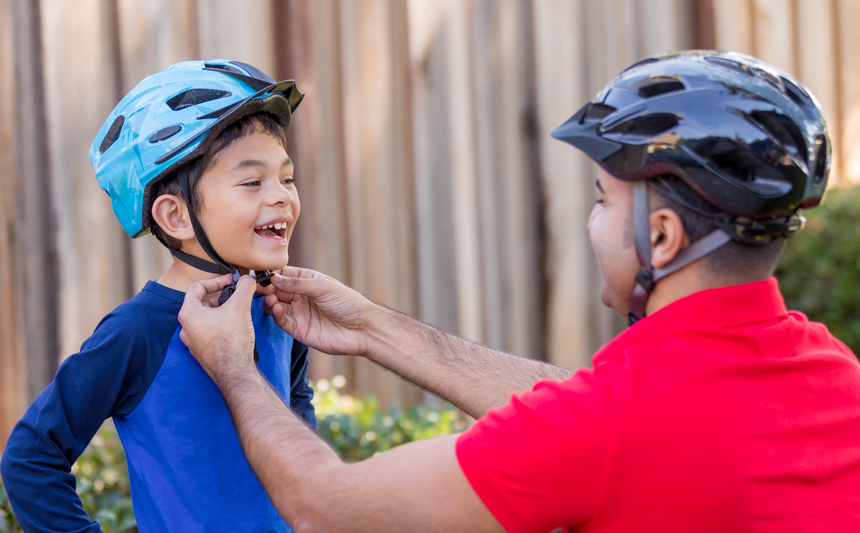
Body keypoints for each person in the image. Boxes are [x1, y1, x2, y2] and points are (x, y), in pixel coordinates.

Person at [181, 51, 860, 532]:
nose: (591, 220)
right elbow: (595, 420)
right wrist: (370, 328)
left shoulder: (613, 422)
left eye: (602, 199)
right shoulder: (833, 373)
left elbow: (326, 507)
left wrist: (236, 368)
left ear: (661, 234)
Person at [0, 60, 316, 532]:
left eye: (286, 178)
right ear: (176, 217)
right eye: (253, 181)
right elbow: (30, 458)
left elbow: (296, 401)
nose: (282, 197)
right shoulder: (140, 331)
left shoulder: (277, 306)